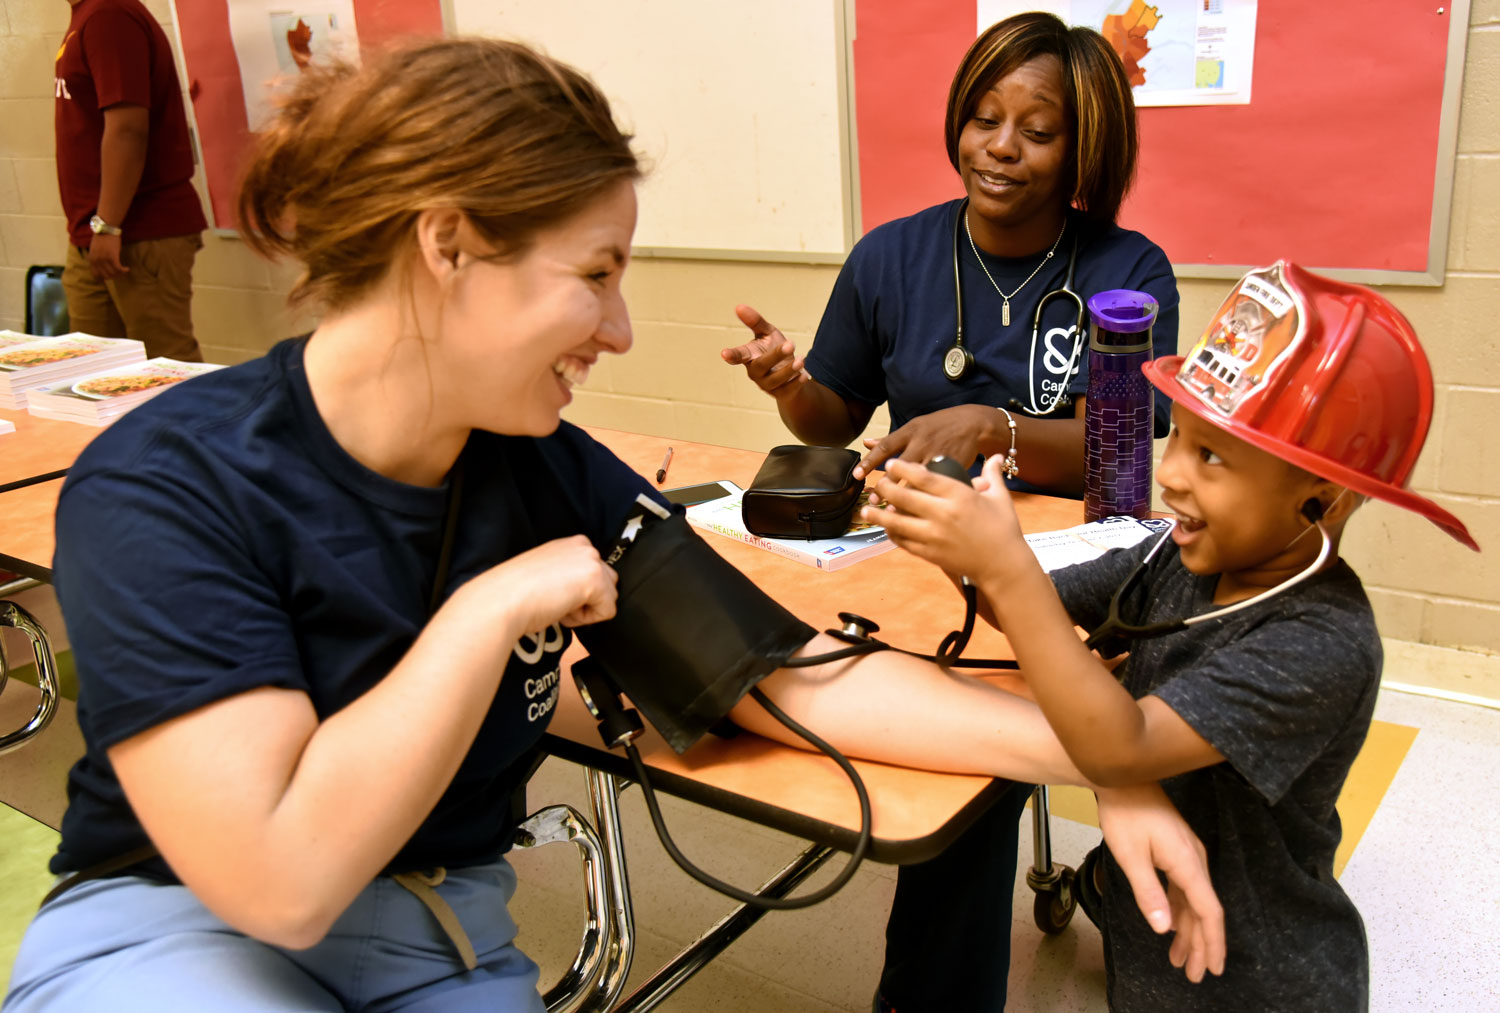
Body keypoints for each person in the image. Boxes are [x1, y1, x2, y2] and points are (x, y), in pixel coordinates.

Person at [3, 37, 1220, 1013]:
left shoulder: (548, 469)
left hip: (439, 938)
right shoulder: (171, 482)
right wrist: (489, 611)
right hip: (179, 928)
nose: (623, 329)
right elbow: (279, 879)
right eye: (596, 276)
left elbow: (797, 680)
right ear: (447, 247)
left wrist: (1112, 757)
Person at [871, 260, 1479, 1011]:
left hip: (1258, 977)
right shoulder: (1178, 554)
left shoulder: (1323, 641)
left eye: (1213, 455)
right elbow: (1037, 607)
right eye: (1180, 439)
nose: (1174, 477)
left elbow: (1118, 746)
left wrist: (1001, 565)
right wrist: (953, 536)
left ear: (1319, 499)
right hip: (1151, 937)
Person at [724, 14, 1178, 1010]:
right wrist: (789, 382)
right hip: (919, 553)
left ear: (1086, 148)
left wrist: (993, 427)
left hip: (1077, 555)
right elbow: (834, 418)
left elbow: (1130, 430)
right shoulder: (890, 257)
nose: (1000, 147)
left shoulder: (1129, 269)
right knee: (914, 714)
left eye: (1037, 130)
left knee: (996, 734)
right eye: (982, 118)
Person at [54, 0, 206, 361]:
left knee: (165, 368)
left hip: (135, 230)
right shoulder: (86, 16)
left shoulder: (110, 14)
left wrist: (109, 226)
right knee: (91, 370)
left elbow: (128, 129)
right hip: (94, 232)